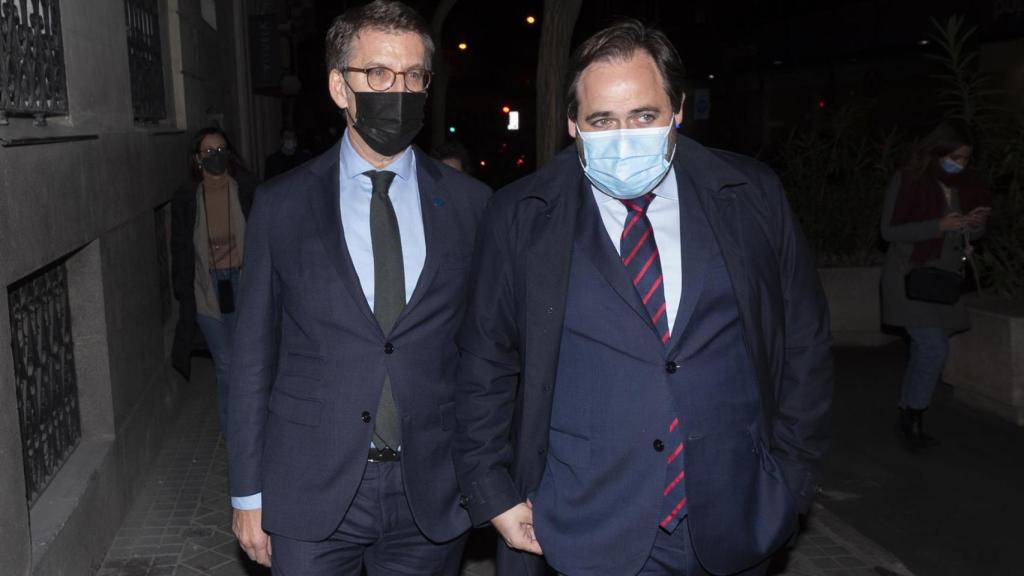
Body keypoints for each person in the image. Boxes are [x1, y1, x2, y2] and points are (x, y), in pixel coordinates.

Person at [452, 19, 833, 576]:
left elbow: (804, 340)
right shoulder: (521, 216)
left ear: (678, 110)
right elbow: (485, 360)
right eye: (602, 120)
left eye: (644, 116)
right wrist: (494, 493)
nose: (624, 137)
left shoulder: (750, 196)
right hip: (583, 524)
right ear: (572, 125)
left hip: (736, 513)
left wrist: (793, 482)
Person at [227, 1, 490, 574]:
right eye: (377, 74)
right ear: (339, 87)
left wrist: (491, 475)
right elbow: (251, 358)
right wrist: (247, 493)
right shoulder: (281, 205)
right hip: (310, 486)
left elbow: (486, 354)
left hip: (431, 489)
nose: (397, 91)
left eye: (413, 76)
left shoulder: (472, 206)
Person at [880, 120, 991, 451]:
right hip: (910, 278)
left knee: (923, 348)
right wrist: (938, 225)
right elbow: (890, 231)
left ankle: (907, 412)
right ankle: (913, 415)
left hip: (942, 282)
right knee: (933, 347)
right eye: (955, 156)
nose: (960, 164)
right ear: (937, 151)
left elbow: (969, 235)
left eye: (966, 158)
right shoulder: (908, 180)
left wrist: (973, 226)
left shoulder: (963, 186)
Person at [171, 126, 258, 432]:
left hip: (242, 283)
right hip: (206, 289)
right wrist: (183, 291)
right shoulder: (187, 198)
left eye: (220, 150)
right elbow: (179, 247)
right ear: (197, 159)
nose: (215, 156)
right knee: (225, 366)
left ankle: (249, 427)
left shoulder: (246, 189)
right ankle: (234, 434)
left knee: (243, 364)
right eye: (208, 152)